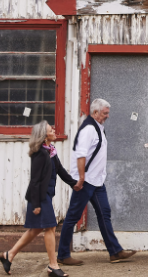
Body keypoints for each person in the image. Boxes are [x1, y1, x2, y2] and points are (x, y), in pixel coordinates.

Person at [57, 98, 137, 265]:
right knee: (73, 217)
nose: (107, 116)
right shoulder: (88, 130)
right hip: (85, 181)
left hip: (97, 182)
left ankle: (115, 252)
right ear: (95, 113)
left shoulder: (98, 128)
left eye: (107, 113)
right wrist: (80, 178)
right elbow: (81, 155)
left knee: (104, 213)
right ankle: (63, 255)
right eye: (104, 113)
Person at [0, 119, 76, 277]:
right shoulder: (40, 154)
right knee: (50, 227)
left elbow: (60, 171)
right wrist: (36, 203)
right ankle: (53, 265)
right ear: (43, 135)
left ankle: (9, 254)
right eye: (51, 129)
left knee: (35, 230)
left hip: (46, 195)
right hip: (39, 197)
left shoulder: (51, 151)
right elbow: (34, 180)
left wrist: (75, 184)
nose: (54, 130)